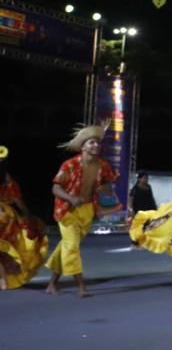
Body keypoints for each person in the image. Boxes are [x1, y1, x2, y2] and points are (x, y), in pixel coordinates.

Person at [45, 123, 117, 297]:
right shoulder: (69, 165)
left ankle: (52, 284)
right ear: (82, 146)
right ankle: (81, 286)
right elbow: (56, 188)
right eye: (92, 142)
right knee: (71, 247)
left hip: (87, 210)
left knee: (68, 246)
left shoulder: (103, 165)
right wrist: (71, 198)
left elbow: (109, 183)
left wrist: (103, 188)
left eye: (98, 142)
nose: (96, 145)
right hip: (67, 210)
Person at [0, 146, 49, 291]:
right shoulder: (6, 177)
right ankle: (3, 281)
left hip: (2, 215)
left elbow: (16, 199)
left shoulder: (6, 179)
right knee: (3, 250)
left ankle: (3, 280)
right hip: (5, 214)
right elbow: (17, 200)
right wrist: (28, 216)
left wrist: (29, 217)